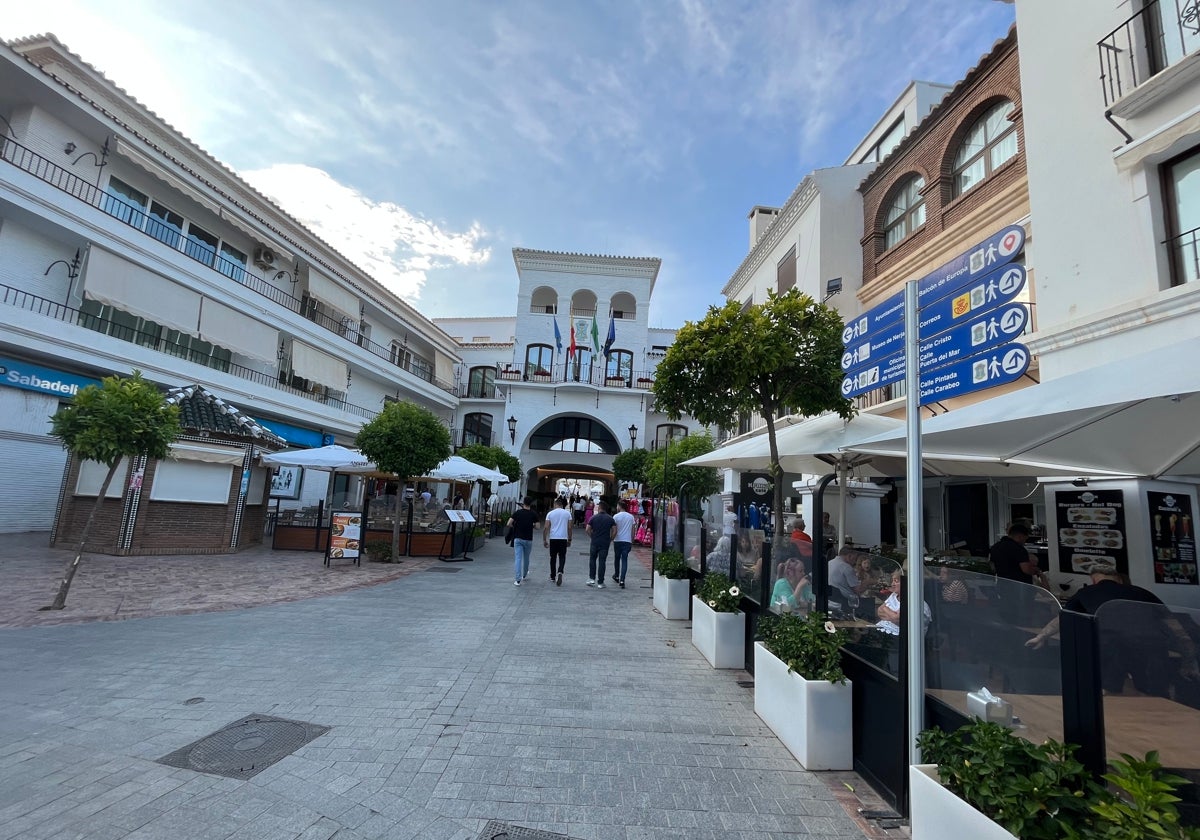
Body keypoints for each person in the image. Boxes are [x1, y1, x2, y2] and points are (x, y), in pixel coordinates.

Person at [1026, 563, 1198, 694]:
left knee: (1108, 693)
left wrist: (1042, 636)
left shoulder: (1088, 592)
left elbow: (1062, 618)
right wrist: (1189, 657)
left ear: (1093, 579)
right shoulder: (1141, 592)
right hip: (1150, 646)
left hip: (1112, 647)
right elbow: (1175, 626)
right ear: (1118, 578)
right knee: (1156, 693)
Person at [876, 571, 932, 635]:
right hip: (884, 634)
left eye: (896, 581)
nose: (892, 584)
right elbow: (879, 611)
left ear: (907, 583)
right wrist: (892, 615)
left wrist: (885, 609)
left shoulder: (914, 601)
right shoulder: (894, 595)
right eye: (892, 581)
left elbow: (898, 619)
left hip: (904, 640)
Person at [506, 497, 539, 586]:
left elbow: (508, 523)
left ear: (523, 503)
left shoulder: (518, 513)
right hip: (528, 539)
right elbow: (538, 527)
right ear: (530, 504)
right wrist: (531, 525)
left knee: (518, 558)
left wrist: (515, 527)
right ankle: (524, 575)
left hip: (518, 538)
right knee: (526, 558)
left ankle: (517, 579)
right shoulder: (533, 514)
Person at [585, 501, 616, 588]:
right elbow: (614, 530)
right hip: (605, 543)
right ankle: (600, 582)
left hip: (595, 542)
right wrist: (611, 539)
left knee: (592, 560)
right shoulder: (610, 519)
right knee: (602, 561)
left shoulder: (593, 518)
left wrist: (592, 536)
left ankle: (591, 579)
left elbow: (587, 529)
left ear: (599, 508)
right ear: (606, 509)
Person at [542, 496, 572, 586]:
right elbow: (570, 527)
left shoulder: (550, 514)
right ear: (562, 505)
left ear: (555, 504)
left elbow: (546, 527)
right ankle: (560, 571)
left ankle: (552, 576)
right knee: (562, 556)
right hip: (563, 538)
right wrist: (570, 539)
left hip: (553, 538)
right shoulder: (567, 514)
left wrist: (544, 539)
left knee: (553, 557)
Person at [610, 499, 636, 588]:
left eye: (617, 506)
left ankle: (616, 575)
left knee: (617, 558)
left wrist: (612, 538)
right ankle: (622, 580)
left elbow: (614, 529)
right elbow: (633, 530)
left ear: (620, 506)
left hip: (618, 540)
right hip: (627, 541)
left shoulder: (616, 517)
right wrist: (632, 540)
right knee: (624, 559)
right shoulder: (631, 517)